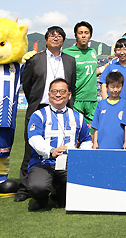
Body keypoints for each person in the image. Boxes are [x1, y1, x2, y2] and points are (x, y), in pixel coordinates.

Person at [16, 26, 76, 202]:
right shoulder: (35, 59)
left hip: (62, 108)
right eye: (52, 36)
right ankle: (25, 188)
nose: (55, 38)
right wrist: (36, 101)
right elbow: (27, 84)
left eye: (59, 36)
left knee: (62, 145)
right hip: (39, 107)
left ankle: (59, 186)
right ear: (46, 39)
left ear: (63, 40)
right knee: (31, 147)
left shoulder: (70, 60)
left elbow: (71, 84)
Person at [26, 78, 92, 211]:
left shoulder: (78, 117)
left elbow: (86, 140)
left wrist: (79, 155)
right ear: (49, 94)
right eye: (54, 91)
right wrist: (51, 151)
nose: (58, 95)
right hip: (43, 163)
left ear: (69, 95)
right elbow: (34, 139)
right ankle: (42, 199)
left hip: (69, 165)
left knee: (79, 190)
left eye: (62, 91)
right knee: (38, 187)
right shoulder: (38, 115)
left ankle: (59, 193)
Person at [62, 21, 98, 126]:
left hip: (92, 99)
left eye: (86, 33)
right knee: (76, 130)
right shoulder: (67, 52)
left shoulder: (93, 52)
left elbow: (93, 72)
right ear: (75, 35)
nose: (83, 35)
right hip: (76, 99)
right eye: (80, 33)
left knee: (93, 131)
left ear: (90, 35)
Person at [91, 72, 126, 149]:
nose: (115, 90)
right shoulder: (101, 104)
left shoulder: (125, 104)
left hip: (119, 145)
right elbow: (96, 126)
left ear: (122, 86)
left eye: (118, 87)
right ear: (107, 87)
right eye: (112, 87)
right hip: (102, 145)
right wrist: (95, 142)